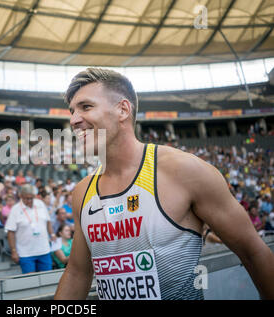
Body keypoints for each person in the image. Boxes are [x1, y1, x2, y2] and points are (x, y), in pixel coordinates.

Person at [54, 67, 274, 300]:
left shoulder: (185, 171)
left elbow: (253, 252)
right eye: (72, 111)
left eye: (86, 107)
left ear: (122, 109)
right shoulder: (82, 192)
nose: (74, 120)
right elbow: (78, 273)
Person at [5, 184, 56, 274]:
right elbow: (10, 232)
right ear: (21, 196)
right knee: (31, 281)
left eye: (31, 198)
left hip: (44, 250)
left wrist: (52, 234)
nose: (29, 201)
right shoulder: (15, 209)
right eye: (26, 198)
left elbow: (48, 221)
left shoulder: (40, 204)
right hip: (26, 253)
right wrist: (13, 251)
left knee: (47, 278)